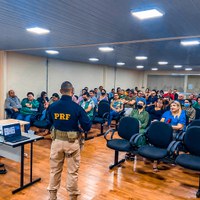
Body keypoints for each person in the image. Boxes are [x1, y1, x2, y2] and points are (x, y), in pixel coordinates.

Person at [47, 81, 91, 200]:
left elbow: (48, 123)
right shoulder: (77, 107)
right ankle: (72, 197)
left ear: (61, 91)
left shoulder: (53, 106)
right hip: (72, 143)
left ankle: (52, 196)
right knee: (72, 172)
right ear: (72, 92)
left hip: (56, 141)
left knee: (54, 170)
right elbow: (87, 125)